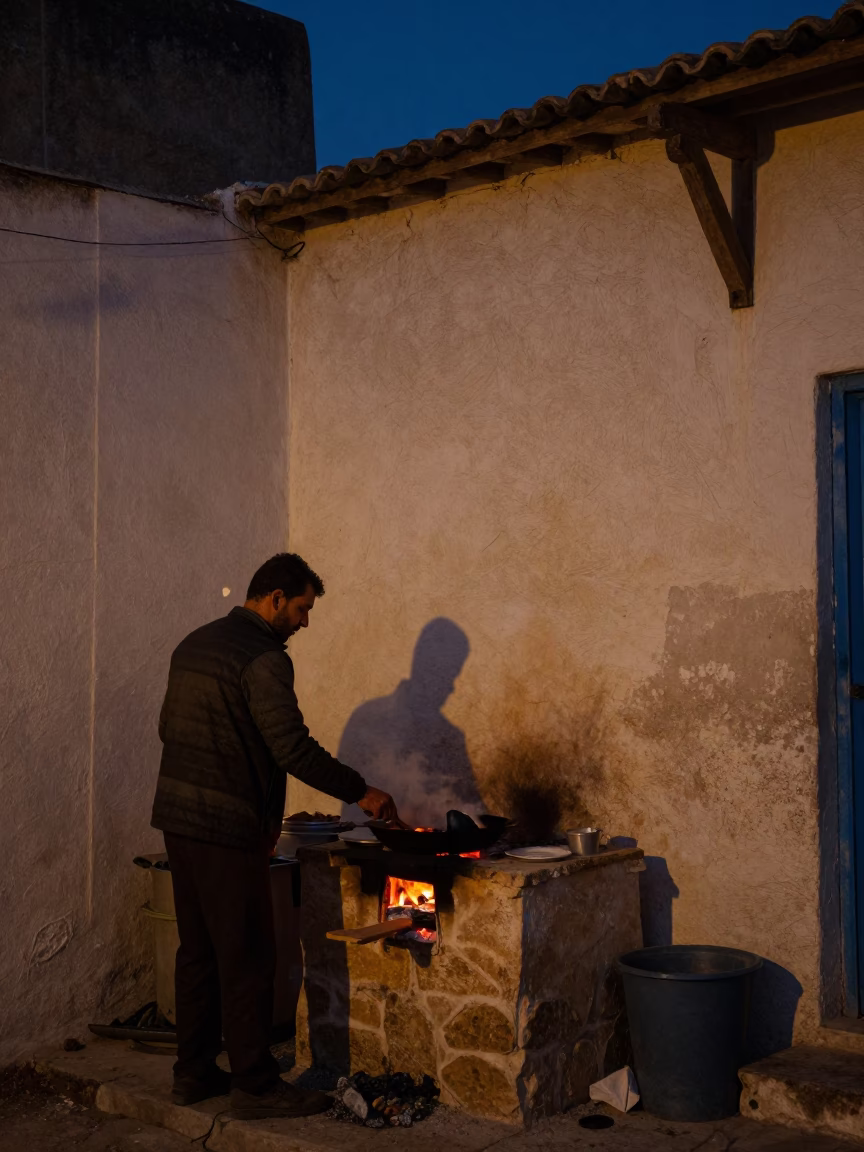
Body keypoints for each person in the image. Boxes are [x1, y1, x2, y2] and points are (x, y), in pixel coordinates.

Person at [150, 553, 401, 1120]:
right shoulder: (263, 658)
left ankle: (191, 1074)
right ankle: (256, 1086)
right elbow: (291, 748)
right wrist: (361, 791)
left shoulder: (193, 643)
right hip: (225, 827)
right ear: (276, 598)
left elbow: (167, 727)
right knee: (247, 955)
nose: (305, 623)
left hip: (178, 822)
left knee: (199, 952)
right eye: (304, 609)